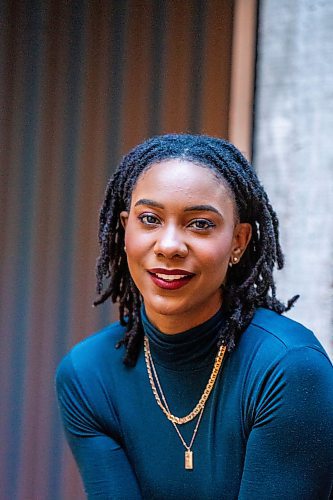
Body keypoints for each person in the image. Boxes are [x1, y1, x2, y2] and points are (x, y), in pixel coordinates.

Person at [56, 134, 333, 499]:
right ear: (125, 230)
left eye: (200, 223)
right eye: (150, 219)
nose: (169, 246)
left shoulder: (288, 368)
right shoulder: (88, 374)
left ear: (238, 241)